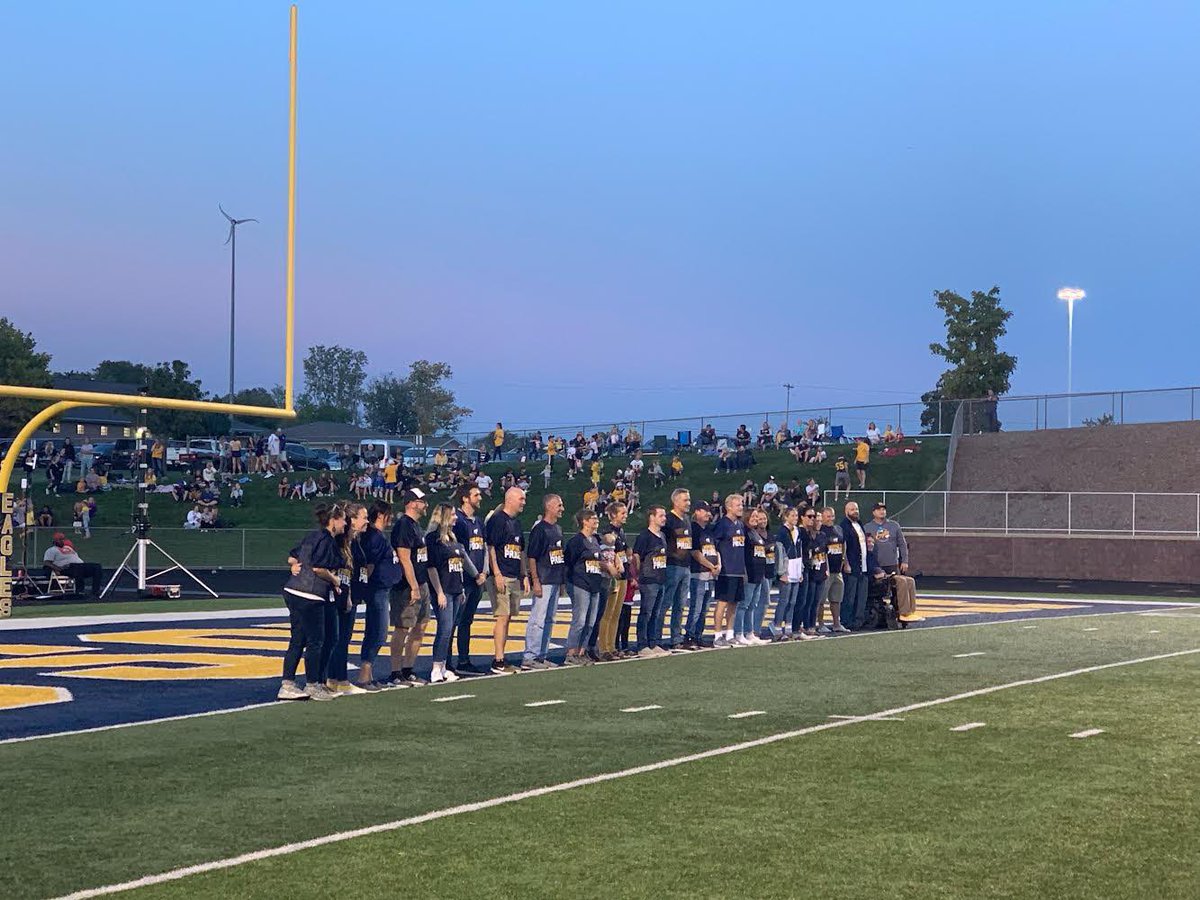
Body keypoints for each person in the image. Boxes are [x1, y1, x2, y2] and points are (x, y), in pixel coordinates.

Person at [278, 504, 347, 701]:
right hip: (310, 594)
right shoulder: (326, 540)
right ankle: (312, 684)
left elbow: (292, 558)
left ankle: (288, 684)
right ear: (333, 520)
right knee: (315, 641)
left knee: (297, 639)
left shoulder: (312, 536)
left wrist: (297, 567)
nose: (345, 523)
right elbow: (318, 568)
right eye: (343, 519)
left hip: (293, 590)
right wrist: (335, 580)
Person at [426, 502, 477, 683]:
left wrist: (461, 588)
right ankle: (436, 667)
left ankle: (444, 666)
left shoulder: (452, 538)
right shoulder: (433, 539)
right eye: (453, 515)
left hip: (456, 590)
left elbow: (458, 566)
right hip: (444, 590)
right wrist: (439, 592)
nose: (456, 518)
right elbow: (431, 568)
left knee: (450, 629)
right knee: (445, 629)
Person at [322, 502, 369, 695]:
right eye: (364, 517)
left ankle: (336, 679)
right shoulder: (340, 542)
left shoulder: (355, 541)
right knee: (338, 639)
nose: (367, 521)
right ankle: (337, 678)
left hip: (351, 594)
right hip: (340, 595)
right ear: (352, 520)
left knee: (343, 638)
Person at [387, 488, 432, 687]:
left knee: (421, 626)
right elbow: (404, 558)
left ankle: (408, 669)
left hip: (421, 582)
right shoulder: (404, 525)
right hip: (406, 585)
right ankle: (395, 671)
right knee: (402, 627)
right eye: (422, 501)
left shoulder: (415, 526)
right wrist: (413, 586)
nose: (425, 505)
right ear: (412, 503)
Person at [354, 500, 401, 690]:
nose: (391, 517)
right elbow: (369, 566)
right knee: (378, 632)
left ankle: (369, 674)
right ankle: (364, 674)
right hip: (377, 589)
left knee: (376, 631)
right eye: (389, 514)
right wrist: (364, 587)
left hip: (381, 589)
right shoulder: (375, 537)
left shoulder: (377, 536)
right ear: (381, 515)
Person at [484, 487, 528, 675]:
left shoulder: (516, 523)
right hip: (501, 575)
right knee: (502, 617)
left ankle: (502, 657)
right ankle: (498, 659)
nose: (524, 502)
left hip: (514, 574)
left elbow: (521, 550)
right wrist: (497, 573)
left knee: (508, 617)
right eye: (521, 499)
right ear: (510, 499)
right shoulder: (497, 520)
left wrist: (524, 575)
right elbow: (491, 547)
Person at [523, 494, 566, 670]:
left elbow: (559, 556)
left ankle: (542, 655)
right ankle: (530, 656)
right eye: (559, 505)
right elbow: (532, 557)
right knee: (538, 619)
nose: (562, 509)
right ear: (549, 506)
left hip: (555, 579)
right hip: (544, 579)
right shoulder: (539, 529)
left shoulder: (558, 529)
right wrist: (535, 580)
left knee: (549, 620)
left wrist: (561, 582)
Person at [564, 508, 612, 665]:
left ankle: (581, 652)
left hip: (594, 585)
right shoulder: (577, 541)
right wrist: (569, 582)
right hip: (581, 584)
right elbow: (569, 563)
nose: (596, 521)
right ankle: (571, 653)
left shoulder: (595, 540)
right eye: (593, 518)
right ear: (584, 521)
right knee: (579, 620)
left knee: (590, 622)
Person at [452, 484, 490, 675]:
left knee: (467, 621)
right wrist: (476, 573)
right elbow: (460, 552)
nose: (480, 498)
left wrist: (484, 572)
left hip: (478, 579)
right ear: (465, 498)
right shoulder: (458, 521)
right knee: (453, 622)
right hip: (463, 579)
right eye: (476, 495)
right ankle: (446, 662)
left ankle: (464, 659)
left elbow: (484, 548)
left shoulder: (479, 522)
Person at [863, 502, 922, 623]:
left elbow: (902, 544)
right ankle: (902, 613)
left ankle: (908, 612)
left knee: (905, 584)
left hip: (892, 564)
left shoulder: (894, 526)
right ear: (873, 512)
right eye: (879, 509)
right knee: (897, 584)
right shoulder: (867, 527)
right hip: (877, 566)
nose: (882, 511)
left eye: (883, 509)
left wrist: (904, 561)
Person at [709, 493, 746, 648]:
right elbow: (714, 545)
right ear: (729, 507)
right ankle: (717, 635)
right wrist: (717, 563)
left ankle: (730, 634)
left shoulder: (740, 524)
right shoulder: (723, 524)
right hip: (726, 570)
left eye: (742, 504)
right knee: (722, 603)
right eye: (738, 505)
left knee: (734, 604)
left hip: (738, 570)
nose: (741, 507)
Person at [631, 505, 669, 658]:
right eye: (661, 515)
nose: (664, 518)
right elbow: (636, 556)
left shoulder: (662, 536)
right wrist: (637, 575)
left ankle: (653, 642)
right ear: (652, 517)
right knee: (646, 612)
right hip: (649, 579)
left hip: (661, 578)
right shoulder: (644, 536)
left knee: (656, 613)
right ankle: (642, 644)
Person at [594, 501, 630, 660]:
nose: (625, 515)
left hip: (623, 575)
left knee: (616, 613)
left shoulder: (621, 531)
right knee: (607, 613)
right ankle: (604, 648)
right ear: (613, 515)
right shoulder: (608, 531)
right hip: (612, 577)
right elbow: (607, 552)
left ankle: (612, 646)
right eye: (622, 513)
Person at [682, 501, 719, 649]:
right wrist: (710, 565)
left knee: (705, 609)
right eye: (705, 511)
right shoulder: (694, 529)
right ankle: (689, 635)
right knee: (696, 608)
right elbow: (695, 552)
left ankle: (698, 635)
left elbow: (715, 549)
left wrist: (718, 565)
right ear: (697, 512)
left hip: (710, 575)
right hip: (698, 573)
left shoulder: (709, 529)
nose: (708, 514)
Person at [662, 488, 693, 651]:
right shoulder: (668, 520)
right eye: (685, 500)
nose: (688, 503)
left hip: (685, 566)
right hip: (672, 566)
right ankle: (656, 637)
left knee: (680, 605)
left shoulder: (686, 519)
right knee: (665, 603)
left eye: (688, 500)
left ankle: (676, 638)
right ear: (675, 501)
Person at [736, 508, 770, 645]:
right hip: (749, 573)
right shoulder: (744, 531)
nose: (756, 519)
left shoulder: (755, 532)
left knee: (753, 605)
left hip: (759, 574)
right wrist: (743, 571)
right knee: (743, 605)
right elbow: (741, 553)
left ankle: (750, 633)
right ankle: (739, 633)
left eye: (757, 516)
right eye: (754, 516)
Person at [771, 506, 803, 640]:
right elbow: (779, 552)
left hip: (796, 568)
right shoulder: (782, 532)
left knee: (792, 601)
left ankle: (788, 627)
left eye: (796, 516)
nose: (795, 518)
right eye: (792, 516)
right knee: (784, 600)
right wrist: (781, 572)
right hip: (786, 568)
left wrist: (801, 570)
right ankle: (777, 626)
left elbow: (800, 551)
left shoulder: (797, 531)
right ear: (786, 517)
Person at [819, 507, 850, 633]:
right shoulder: (820, 531)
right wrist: (824, 568)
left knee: (836, 599)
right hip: (826, 571)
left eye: (832, 516)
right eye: (828, 516)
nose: (830, 519)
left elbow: (843, 545)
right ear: (822, 517)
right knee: (821, 600)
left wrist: (845, 562)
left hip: (838, 570)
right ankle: (820, 624)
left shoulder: (838, 529)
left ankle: (837, 623)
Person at [840, 501, 869, 630]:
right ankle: (846, 621)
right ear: (846, 511)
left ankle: (859, 621)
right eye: (852, 509)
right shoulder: (844, 526)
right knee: (849, 597)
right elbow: (843, 546)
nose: (855, 511)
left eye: (856, 509)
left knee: (861, 597)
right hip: (852, 567)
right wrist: (846, 563)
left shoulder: (860, 524)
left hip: (863, 566)